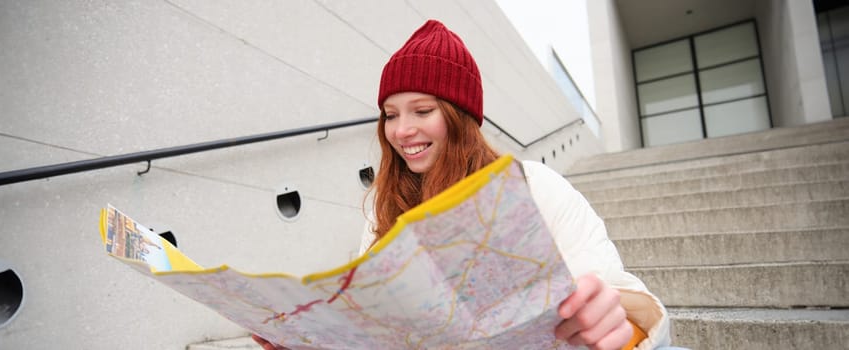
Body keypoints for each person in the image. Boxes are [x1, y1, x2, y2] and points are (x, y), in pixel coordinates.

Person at [255, 19, 672, 350]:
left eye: (421, 110)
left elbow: (617, 296)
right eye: (390, 114)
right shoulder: (383, 214)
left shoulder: (535, 187)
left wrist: (618, 319)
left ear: (461, 117)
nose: (401, 131)